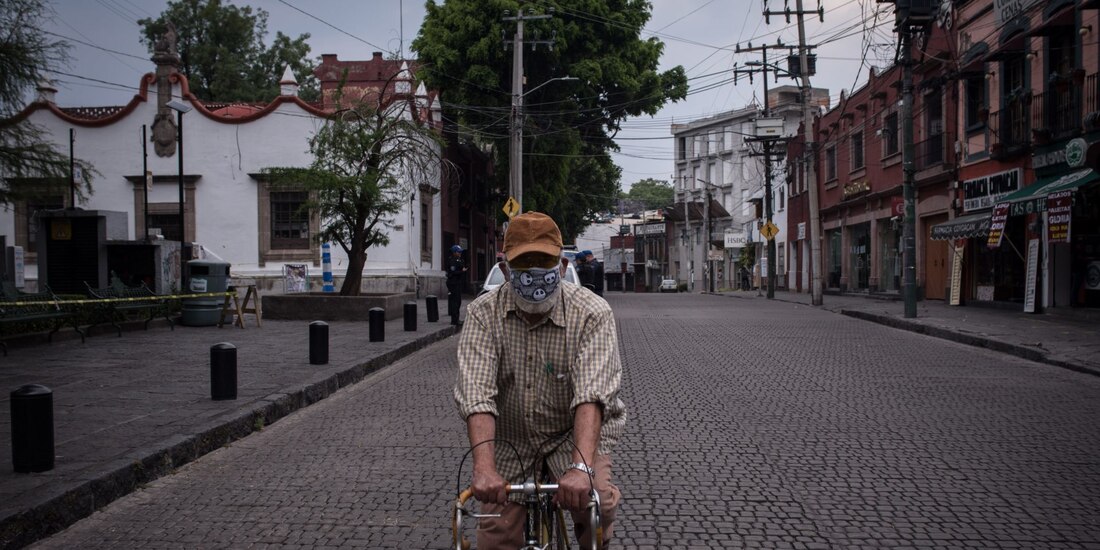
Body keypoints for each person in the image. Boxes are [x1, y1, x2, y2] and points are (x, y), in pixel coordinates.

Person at [455, 212, 625, 548]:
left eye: (544, 263)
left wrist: (581, 468)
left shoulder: (593, 312)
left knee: (598, 506)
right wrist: (484, 469)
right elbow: (477, 393)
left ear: (561, 267)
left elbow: (591, 393)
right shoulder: (482, 313)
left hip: (572, 436)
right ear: (505, 271)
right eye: (524, 265)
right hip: (511, 438)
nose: (534, 274)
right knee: (495, 537)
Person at [446, 245, 468, 325]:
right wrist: (462, 271)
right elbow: (453, 272)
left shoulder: (458, 260)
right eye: (458, 252)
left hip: (457, 282)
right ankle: (454, 320)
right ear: (454, 252)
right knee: (455, 301)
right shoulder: (452, 261)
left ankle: (456, 319)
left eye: (460, 252)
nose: (460, 253)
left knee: (458, 301)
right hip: (453, 283)